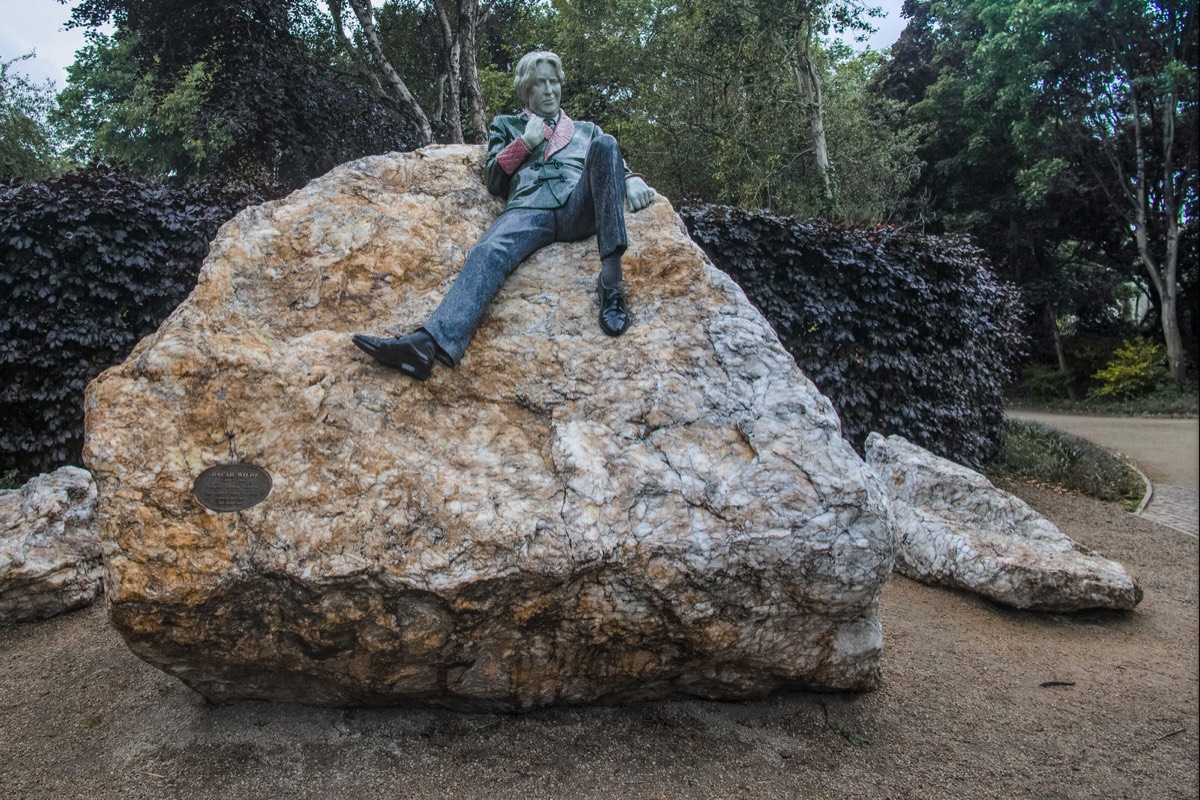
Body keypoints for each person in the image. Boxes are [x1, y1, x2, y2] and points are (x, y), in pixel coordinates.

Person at [352, 50, 656, 380]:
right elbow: (495, 180)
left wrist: (630, 178)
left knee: (608, 143)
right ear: (526, 89)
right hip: (528, 208)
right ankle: (425, 344)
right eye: (541, 83)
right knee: (487, 251)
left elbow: (608, 162)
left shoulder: (586, 130)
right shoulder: (506, 125)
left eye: (554, 82)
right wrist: (525, 143)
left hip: (577, 206)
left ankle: (611, 285)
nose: (550, 90)